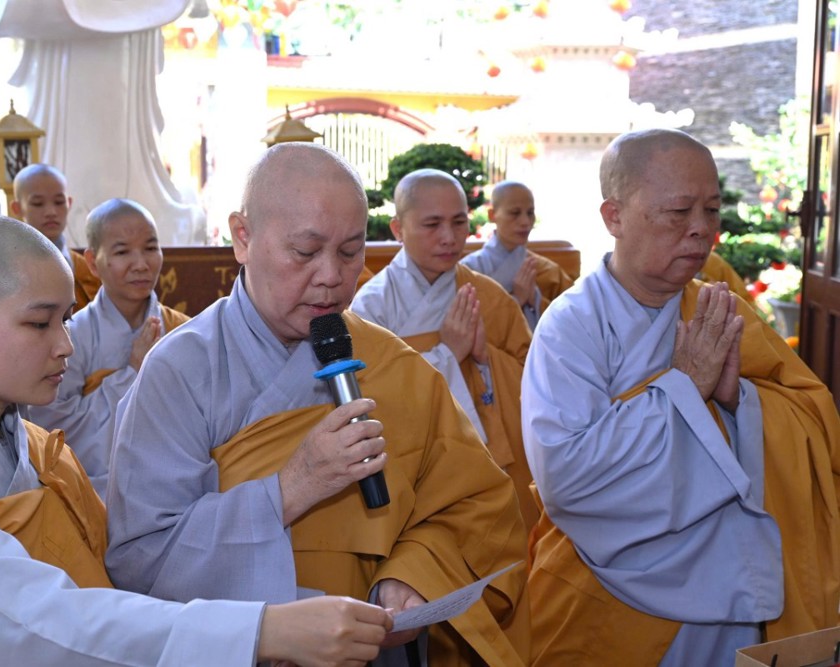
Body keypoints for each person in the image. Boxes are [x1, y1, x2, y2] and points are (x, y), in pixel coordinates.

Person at [0, 215, 393, 666]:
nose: (65, 345)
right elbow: (22, 624)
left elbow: (111, 585)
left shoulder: (37, 448)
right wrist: (257, 633)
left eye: (66, 320)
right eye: (40, 324)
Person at [106, 144, 531, 666]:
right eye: (306, 252)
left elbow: (476, 507)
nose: (331, 276)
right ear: (242, 237)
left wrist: (412, 575)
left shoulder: (393, 365)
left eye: (350, 252)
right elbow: (140, 558)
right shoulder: (179, 370)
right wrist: (293, 487)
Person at [521, 128, 840, 666]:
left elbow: (814, 420)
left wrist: (739, 401)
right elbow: (567, 478)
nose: (701, 229)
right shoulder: (571, 327)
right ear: (614, 216)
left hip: (734, 582)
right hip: (608, 597)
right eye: (678, 211)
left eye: (712, 210)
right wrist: (685, 388)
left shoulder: (720, 311)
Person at [350, 169, 538, 530]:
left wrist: (486, 360)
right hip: (410, 471)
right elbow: (368, 398)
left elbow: (533, 383)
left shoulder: (490, 298)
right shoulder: (371, 307)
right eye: (432, 224)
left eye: (459, 222)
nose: (449, 238)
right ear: (397, 229)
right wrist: (448, 354)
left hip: (486, 464)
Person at [27, 199, 189, 500]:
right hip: (95, 494)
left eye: (150, 248)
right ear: (92, 261)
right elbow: (52, 435)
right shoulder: (70, 338)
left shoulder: (183, 331)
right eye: (122, 252)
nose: (141, 264)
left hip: (173, 487)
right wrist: (131, 373)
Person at [460, 181, 574, 330]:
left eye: (530, 213)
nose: (525, 222)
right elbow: (462, 327)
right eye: (515, 213)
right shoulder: (468, 270)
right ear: (492, 215)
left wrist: (535, 300)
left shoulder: (549, 271)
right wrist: (516, 300)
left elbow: (573, 321)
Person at [11, 162, 101, 311]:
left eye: (59, 202)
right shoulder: (7, 270)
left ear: (69, 203)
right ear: (17, 208)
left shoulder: (88, 270)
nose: (51, 212)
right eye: (38, 203)